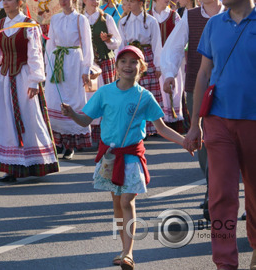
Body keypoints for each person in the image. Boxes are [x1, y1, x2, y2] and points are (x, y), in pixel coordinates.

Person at [61, 45, 188, 270]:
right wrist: (72, 113)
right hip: (110, 158)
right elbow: (84, 120)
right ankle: (123, 248)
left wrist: (184, 141)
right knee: (116, 203)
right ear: (116, 66)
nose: (128, 66)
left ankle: (128, 253)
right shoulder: (104, 92)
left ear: (142, 68)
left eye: (133, 62)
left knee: (126, 200)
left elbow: (161, 128)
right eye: (123, 61)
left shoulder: (144, 96)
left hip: (131, 157)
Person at [185, 0, 256, 270]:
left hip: (253, 121)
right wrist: (194, 125)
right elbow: (203, 75)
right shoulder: (214, 24)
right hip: (217, 120)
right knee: (221, 196)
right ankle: (224, 263)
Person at [162, 0, 224, 216]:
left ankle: (217, 194)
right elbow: (174, 47)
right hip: (195, 87)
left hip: (227, 87)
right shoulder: (191, 15)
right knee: (201, 140)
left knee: (225, 142)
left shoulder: (233, 14)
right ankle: (212, 190)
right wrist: (168, 74)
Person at [0, 0, 58, 182]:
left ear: (19, 2)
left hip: (23, 76)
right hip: (4, 78)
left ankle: (34, 161)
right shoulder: (0, 25)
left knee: (28, 117)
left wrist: (35, 80)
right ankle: (10, 165)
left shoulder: (28, 24)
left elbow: (35, 53)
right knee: (5, 119)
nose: (6, 3)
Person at [44, 0, 94, 160]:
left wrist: (86, 69)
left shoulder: (80, 19)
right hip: (57, 60)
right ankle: (57, 141)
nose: (63, 2)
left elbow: (87, 45)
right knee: (55, 98)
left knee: (72, 98)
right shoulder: (55, 19)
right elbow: (50, 43)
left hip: (73, 61)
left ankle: (71, 144)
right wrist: (47, 65)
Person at [118, 0, 164, 136]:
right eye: (129, 1)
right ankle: (134, 125)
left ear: (141, 2)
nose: (130, 4)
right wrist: (119, 64)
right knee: (133, 91)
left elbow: (157, 43)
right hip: (131, 57)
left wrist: (158, 65)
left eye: (133, 1)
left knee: (148, 92)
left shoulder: (151, 21)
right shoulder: (124, 22)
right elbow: (121, 44)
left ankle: (152, 127)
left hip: (147, 57)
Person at [82, 0, 121, 143]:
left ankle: (108, 132)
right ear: (84, 1)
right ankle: (88, 132)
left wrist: (108, 41)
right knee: (88, 97)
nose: (95, 2)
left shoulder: (106, 18)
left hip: (105, 61)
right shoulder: (79, 19)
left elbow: (117, 41)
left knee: (107, 96)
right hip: (87, 64)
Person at [148, 0, 185, 133]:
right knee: (157, 89)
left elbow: (181, 35)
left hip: (171, 57)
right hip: (154, 57)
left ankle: (173, 122)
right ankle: (158, 123)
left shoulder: (174, 15)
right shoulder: (148, 15)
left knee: (174, 89)